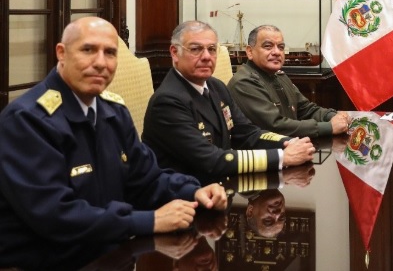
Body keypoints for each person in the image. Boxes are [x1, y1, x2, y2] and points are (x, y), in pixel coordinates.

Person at [0, 17, 227, 268]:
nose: (100, 63)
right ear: (61, 53)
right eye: (88, 50)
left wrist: (194, 191)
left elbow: (147, 179)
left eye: (110, 53)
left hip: (110, 253)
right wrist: (149, 221)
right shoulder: (28, 120)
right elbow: (54, 216)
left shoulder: (113, 112)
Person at [142, 21, 316, 184]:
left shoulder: (216, 87)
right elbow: (211, 160)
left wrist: (288, 142)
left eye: (212, 49)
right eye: (196, 49)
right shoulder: (167, 102)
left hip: (219, 188)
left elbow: (247, 133)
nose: (206, 56)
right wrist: (282, 157)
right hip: (184, 196)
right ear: (175, 53)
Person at [227, 24, 351, 138]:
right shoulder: (244, 83)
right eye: (268, 46)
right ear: (250, 52)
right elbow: (276, 126)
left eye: (281, 47)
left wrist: (333, 116)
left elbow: (306, 109)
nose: (276, 52)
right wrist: (329, 127)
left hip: (292, 147)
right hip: (266, 152)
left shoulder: (279, 76)